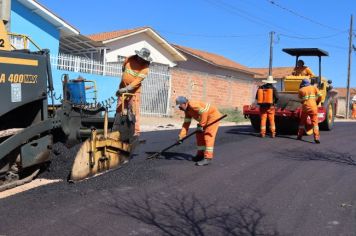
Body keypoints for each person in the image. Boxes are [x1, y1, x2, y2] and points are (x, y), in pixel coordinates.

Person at [116, 47, 152, 136]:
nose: (141, 60)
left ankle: (136, 132)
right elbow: (123, 69)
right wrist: (122, 87)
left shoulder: (145, 68)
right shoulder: (129, 59)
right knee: (119, 109)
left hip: (134, 91)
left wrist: (126, 89)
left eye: (143, 59)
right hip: (123, 87)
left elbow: (137, 81)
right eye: (140, 57)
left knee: (134, 110)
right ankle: (117, 128)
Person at [176, 96, 221, 166]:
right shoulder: (187, 111)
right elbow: (186, 124)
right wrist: (181, 137)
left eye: (180, 106)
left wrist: (201, 125)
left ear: (184, 103)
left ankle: (208, 158)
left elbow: (204, 112)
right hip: (205, 118)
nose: (179, 108)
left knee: (208, 135)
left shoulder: (192, 104)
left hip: (213, 116)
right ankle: (200, 155)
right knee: (199, 134)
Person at [297, 79, 322, 143]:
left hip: (305, 108)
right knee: (315, 123)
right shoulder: (314, 88)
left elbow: (300, 100)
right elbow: (320, 96)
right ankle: (316, 137)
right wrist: (317, 102)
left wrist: (304, 103)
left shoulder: (301, 90)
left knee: (302, 122)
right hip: (313, 107)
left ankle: (299, 136)